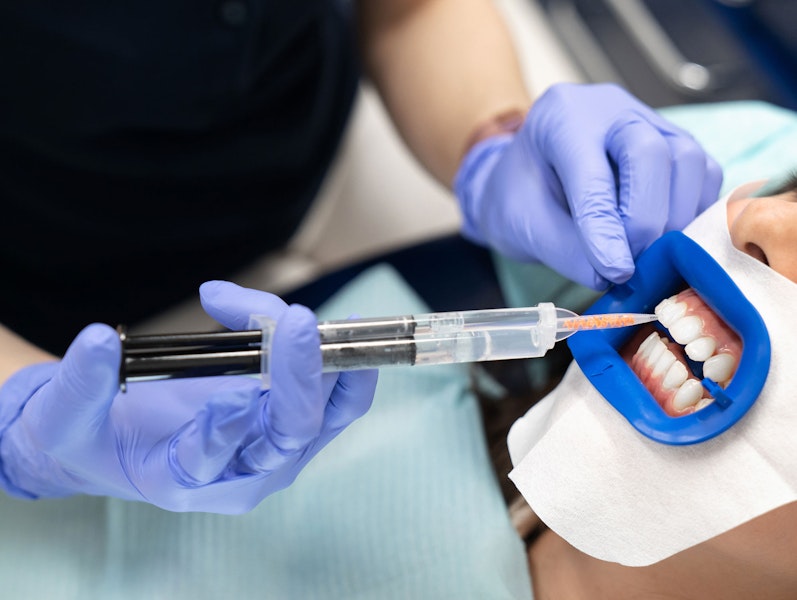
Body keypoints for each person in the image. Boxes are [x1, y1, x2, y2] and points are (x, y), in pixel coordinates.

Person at [0, 1, 721, 513]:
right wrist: (20, 417)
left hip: (323, 147)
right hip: (47, 282)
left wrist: (489, 142)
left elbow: (409, 10)